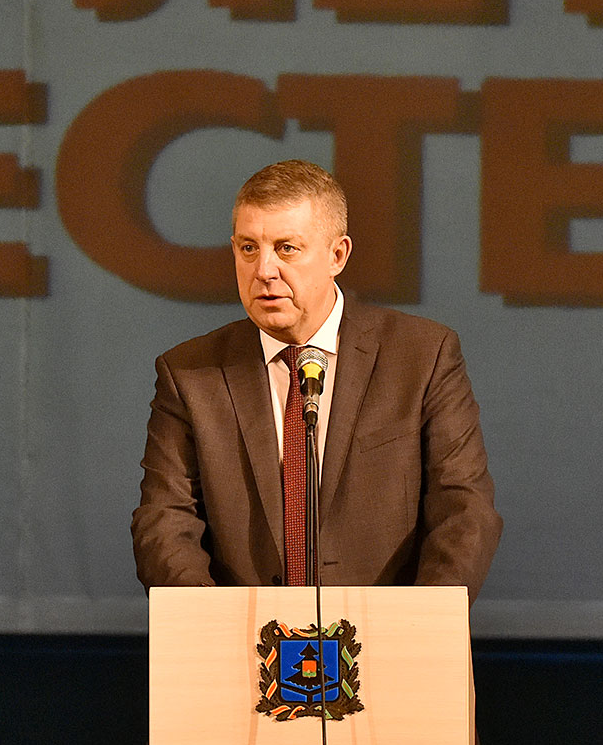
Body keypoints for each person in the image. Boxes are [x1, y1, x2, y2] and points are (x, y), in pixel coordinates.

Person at [131, 160, 502, 593]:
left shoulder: (422, 357)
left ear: (337, 255)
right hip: (241, 632)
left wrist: (420, 623)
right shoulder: (190, 374)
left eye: (286, 248)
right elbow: (165, 521)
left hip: (387, 630)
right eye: (248, 248)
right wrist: (209, 621)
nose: (264, 270)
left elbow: (464, 510)